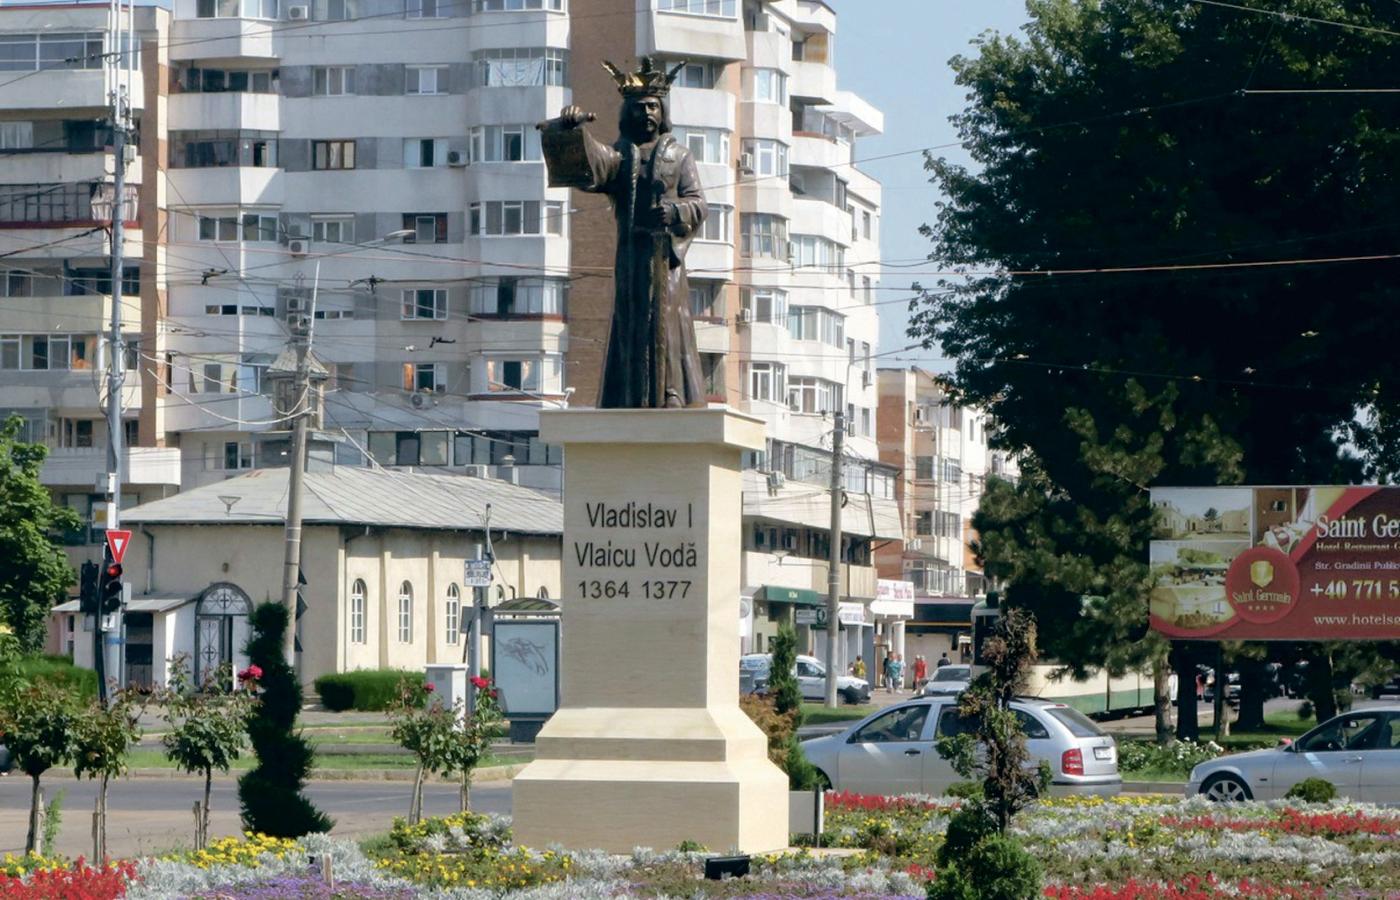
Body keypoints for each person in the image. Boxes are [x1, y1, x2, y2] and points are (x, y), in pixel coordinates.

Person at [538, 58, 708, 408]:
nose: (646, 113)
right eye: (639, 107)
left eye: (652, 106)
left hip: (665, 260)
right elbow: (592, 168)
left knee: (668, 323)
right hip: (631, 257)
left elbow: (699, 204)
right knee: (630, 323)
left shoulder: (680, 156)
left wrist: (675, 212)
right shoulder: (621, 156)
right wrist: (572, 129)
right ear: (627, 112)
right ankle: (629, 394)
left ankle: (671, 391)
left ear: (662, 112)